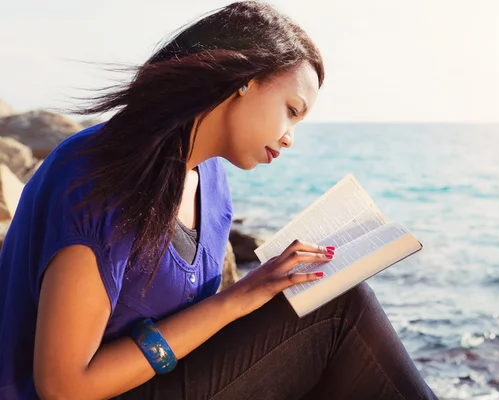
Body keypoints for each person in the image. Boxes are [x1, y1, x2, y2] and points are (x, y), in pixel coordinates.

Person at [0, 2, 439, 399]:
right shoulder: (97, 172)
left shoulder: (211, 182)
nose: (290, 138)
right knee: (340, 308)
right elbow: (64, 385)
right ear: (244, 81)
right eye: (291, 109)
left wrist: (265, 298)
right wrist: (237, 300)